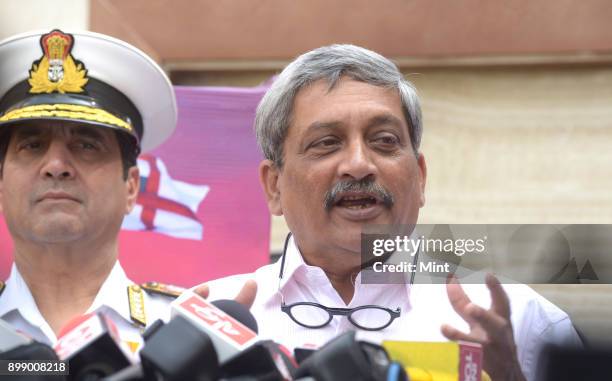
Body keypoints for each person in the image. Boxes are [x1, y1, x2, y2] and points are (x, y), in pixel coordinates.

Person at [200, 44, 582, 381]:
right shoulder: (208, 320)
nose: (358, 164)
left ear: (420, 177)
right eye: (327, 143)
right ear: (274, 186)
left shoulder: (518, 320)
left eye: (384, 141)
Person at [0, 29, 181, 352]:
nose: (56, 164)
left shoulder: (179, 329)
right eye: (32, 145)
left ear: (130, 187)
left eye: (86, 145)